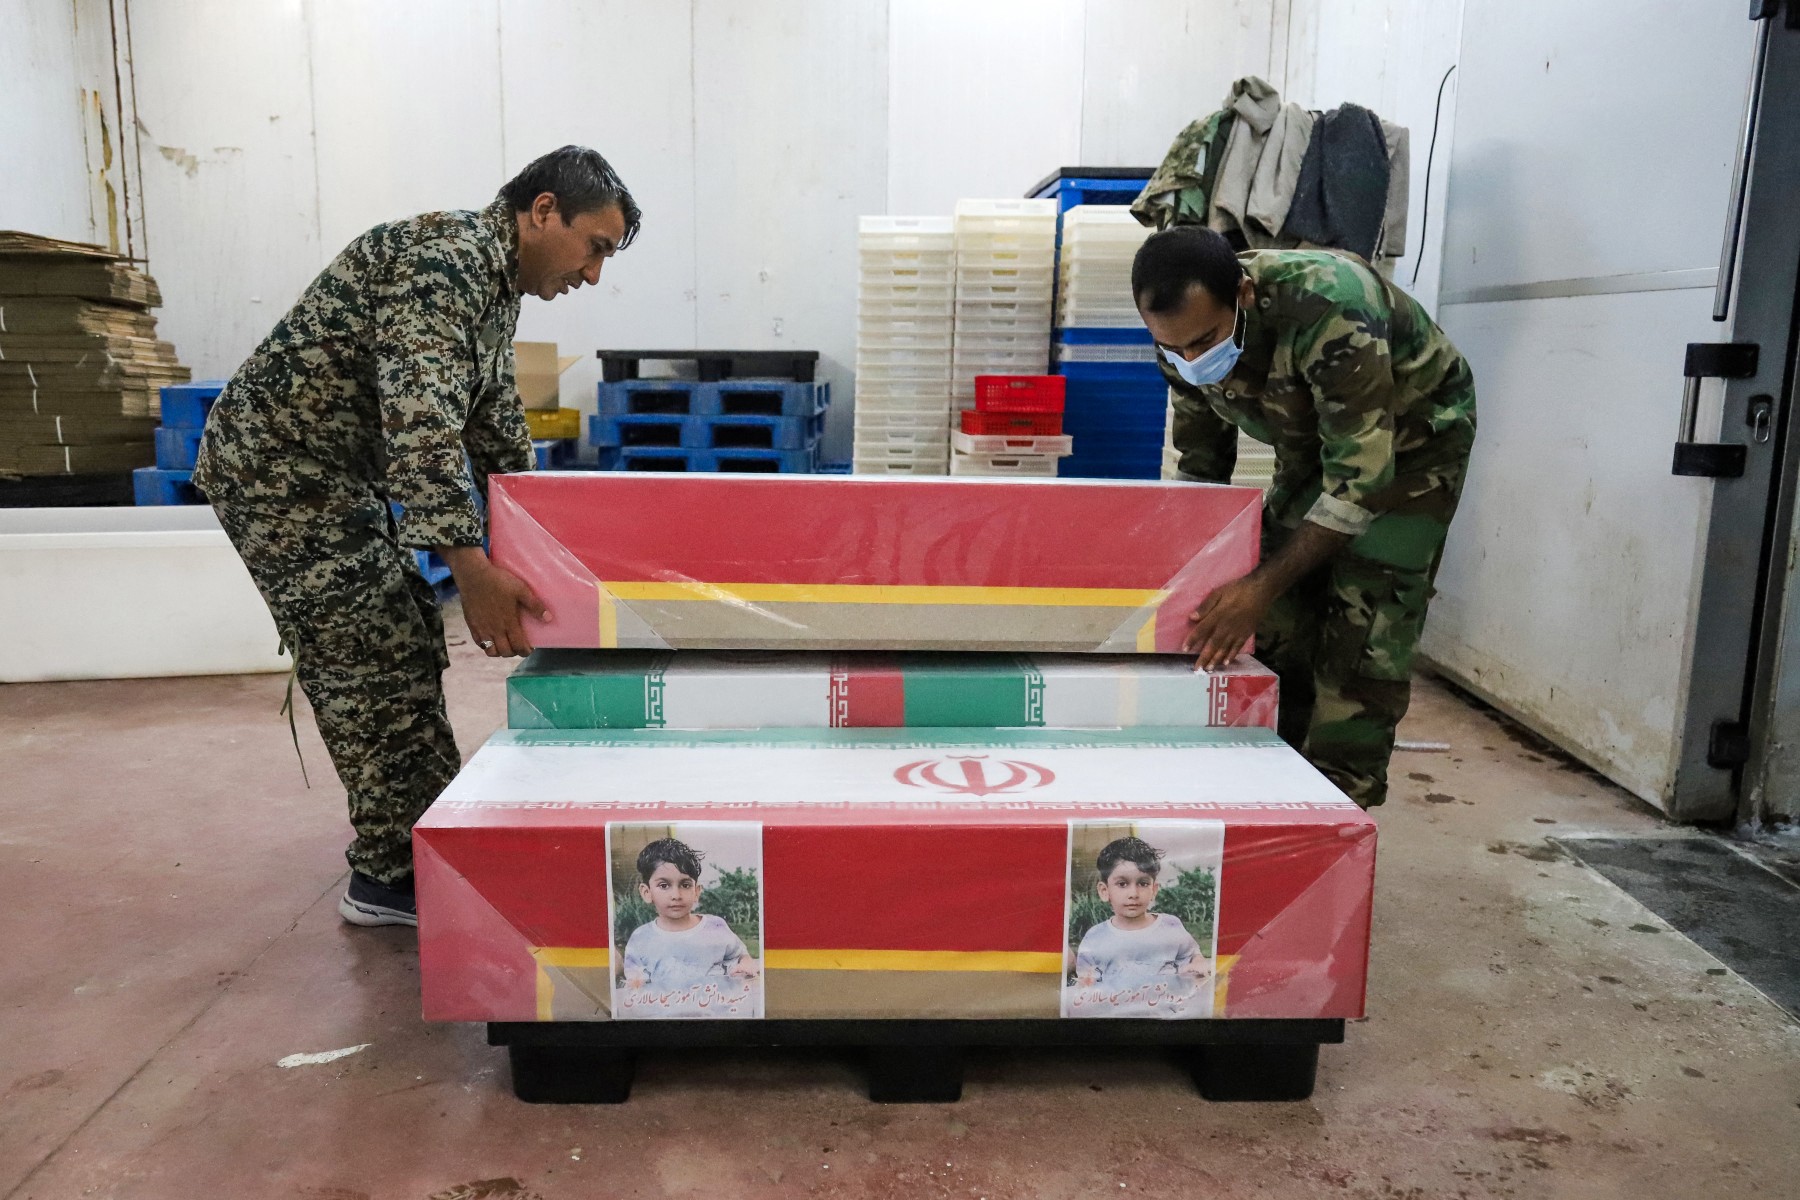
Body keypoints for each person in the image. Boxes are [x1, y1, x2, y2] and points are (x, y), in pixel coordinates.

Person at [193, 146, 641, 928]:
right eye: (594, 247)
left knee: (400, 637)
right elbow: (422, 424)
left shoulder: (496, 288)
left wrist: (545, 540)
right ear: (542, 211)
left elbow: (494, 420)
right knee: (370, 653)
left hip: (338, 474)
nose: (593, 274)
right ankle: (389, 878)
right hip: (279, 469)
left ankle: (420, 843)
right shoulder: (443, 264)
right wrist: (470, 567)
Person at [1133, 226, 1477, 809]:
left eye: (1204, 341)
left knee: (1362, 629)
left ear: (1243, 295)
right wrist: (1189, 576)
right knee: (1277, 625)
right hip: (1315, 447)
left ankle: (1341, 810)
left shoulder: (1331, 305)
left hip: (1415, 443)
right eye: (1175, 348)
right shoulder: (1179, 338)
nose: (1191, 359)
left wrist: (1258, 587)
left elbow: (1362, 479)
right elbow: (1201, 465)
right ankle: (1277, 785)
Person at [1069, 837, 1209, 1017]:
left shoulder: (1170, 925)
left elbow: (1192, 955)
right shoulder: (1095, 937)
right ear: (1104, 891)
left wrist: (1197, 963)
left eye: (1143, 884)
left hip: (1166, 1019)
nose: (1133, 894)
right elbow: (1086, 984)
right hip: (1114, 1020)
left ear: (1154, 890)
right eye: (1122, 884)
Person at [618, 838, 759, 1017]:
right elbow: (636, 985)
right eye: (664, 885)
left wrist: (746, 965)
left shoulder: (715, 927)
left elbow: (741, 956)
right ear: (647, 892)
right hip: (664, 1020)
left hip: (715, 1017)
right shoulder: (640, 938)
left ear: (696, 892)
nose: (676, 895)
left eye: (685, 885)